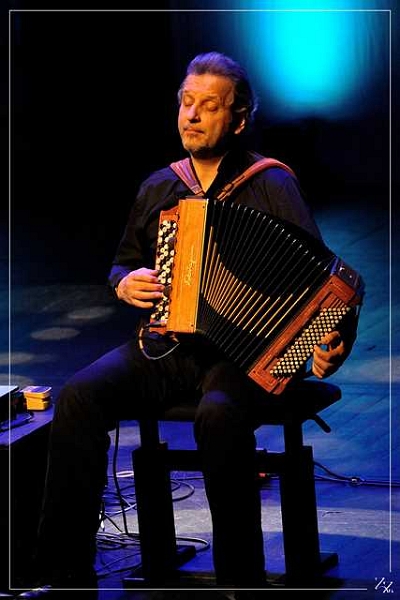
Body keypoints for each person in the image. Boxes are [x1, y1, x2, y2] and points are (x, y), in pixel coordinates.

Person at [18, 51, 358, 598]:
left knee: (218, 415)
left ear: (238, 120)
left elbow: (322, 284)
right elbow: (123, 263)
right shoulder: (160, 186)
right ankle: (63, 575)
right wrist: (124, 282)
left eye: (209, 106)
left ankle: (239, 581)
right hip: (168, 346)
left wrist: (328, 343)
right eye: (186, 103)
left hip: (244, 357)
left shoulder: (272, 185)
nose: (192, 116)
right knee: (79, 396)